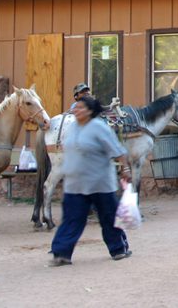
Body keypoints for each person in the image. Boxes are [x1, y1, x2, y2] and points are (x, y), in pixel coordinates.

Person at [48, 95, 134, 266]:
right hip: (75, 183)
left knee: (108, 217)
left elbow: (118, 151)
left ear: (89, 111)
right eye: (75, 107)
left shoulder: (99, 128)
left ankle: (118, 249)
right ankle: (61, 253)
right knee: (72, 218)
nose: (76, 110)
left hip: (99, 182)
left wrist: (125, 168)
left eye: (80, 107)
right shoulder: (72, 128)